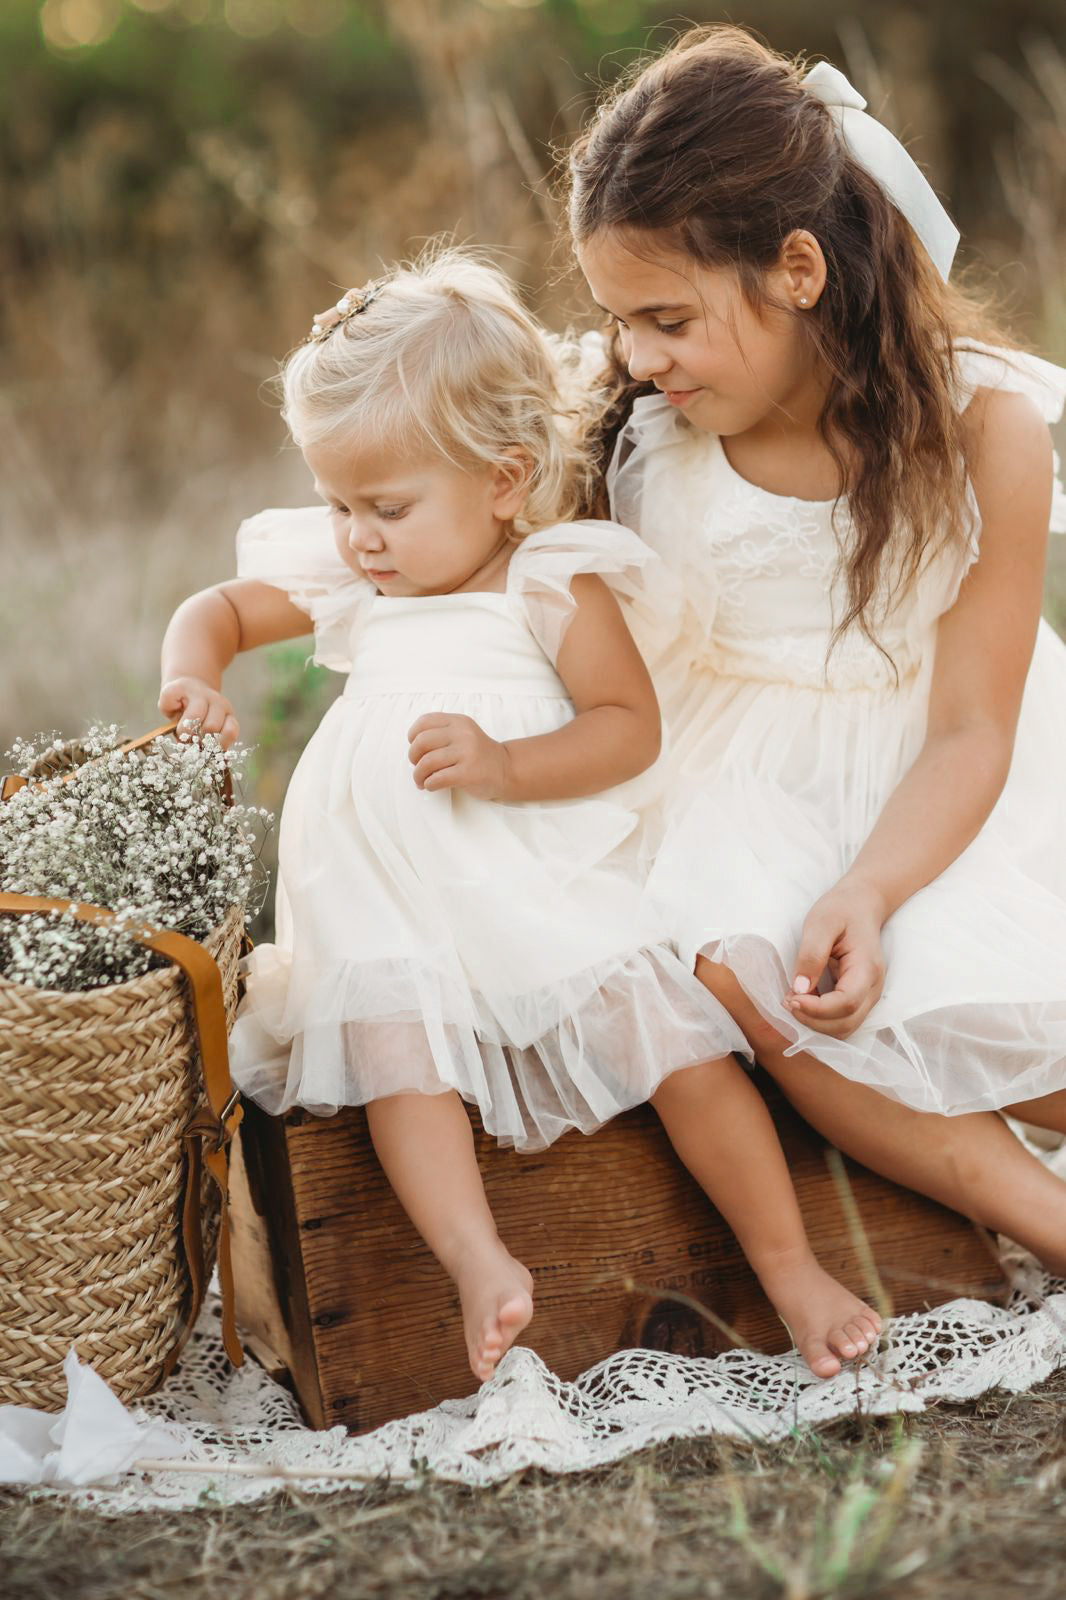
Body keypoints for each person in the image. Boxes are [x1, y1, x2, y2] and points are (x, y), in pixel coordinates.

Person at [158, 248, 883, 1385]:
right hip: (383, 900)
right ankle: (476, 1262)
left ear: (502, 479)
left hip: (532, 882)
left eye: (386, 506)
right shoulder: (360, 578)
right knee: (399, 1061)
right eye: (339, 502)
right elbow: (216, 608)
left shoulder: (547, 581)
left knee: (681, 1050)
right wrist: (194, 673)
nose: (357, 534)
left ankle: (790, 1266)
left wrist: (504, 761)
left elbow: (623, 726)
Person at [567, 24, 1066, 1275]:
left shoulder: (985, 430)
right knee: (774, 982)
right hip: (720, 780)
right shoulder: (638, 428)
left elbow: (973, 726)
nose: (638, 357)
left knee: (984, 995)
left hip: (940, 783)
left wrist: (872, 886)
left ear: (797, 268)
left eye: (667, 318)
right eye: (618, 320)